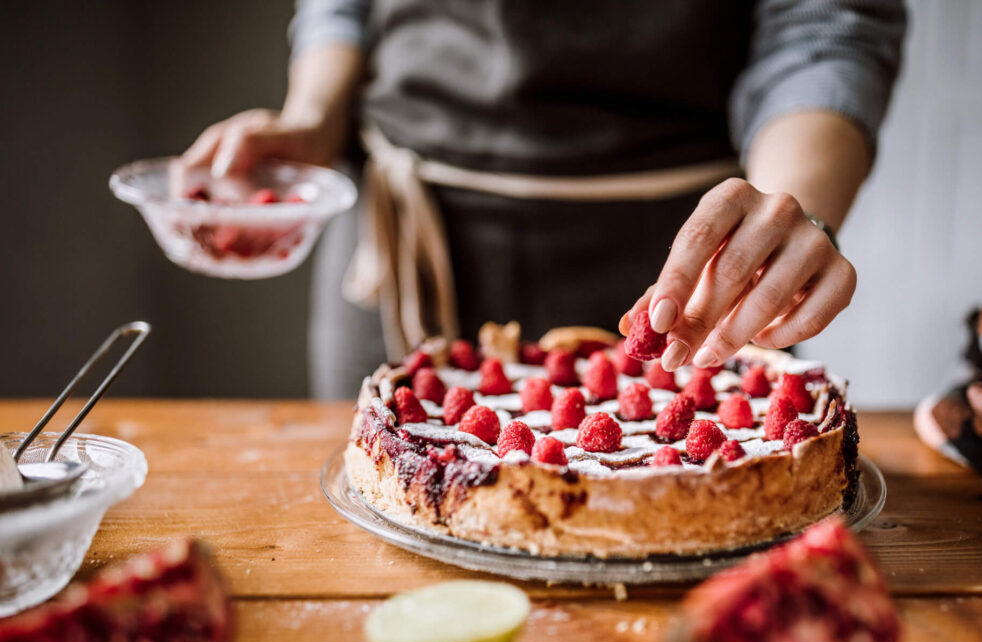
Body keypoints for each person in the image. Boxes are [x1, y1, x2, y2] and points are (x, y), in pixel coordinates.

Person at [182, 1, 906, 398]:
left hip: (689, 259)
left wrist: (790, 204)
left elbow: (826, 22)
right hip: (407, 239)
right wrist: (312, 116)